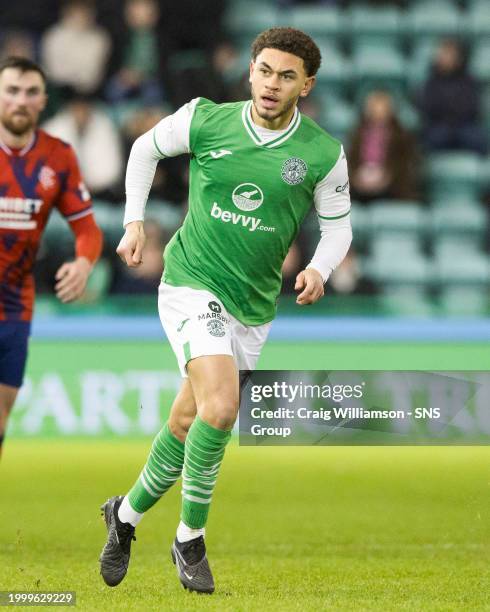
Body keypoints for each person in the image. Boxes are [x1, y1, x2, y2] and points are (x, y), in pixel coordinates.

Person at [99, 27, 352, 594]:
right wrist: (133, 221)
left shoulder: (321, 154)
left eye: (287, 75)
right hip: (192, 281)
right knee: (222, 407)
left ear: (305, 85)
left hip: (255, 303)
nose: (272, 83)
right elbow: (145, 148)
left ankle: (125, 516)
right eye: (265, 70)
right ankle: (190, 538)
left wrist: (318, 268)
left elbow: (338, 228)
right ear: (250, 71)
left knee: (189, 421)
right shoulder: (206, 119)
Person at [0, 57, 103, 456]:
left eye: (30, 92)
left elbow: (87, 228)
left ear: (43, 100)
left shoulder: (57, 156)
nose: (20, 100)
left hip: (14, 302)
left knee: (2, 415)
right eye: (11, 90)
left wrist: (83, 262)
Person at [348, 90, 419, 203]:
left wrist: (387, 178)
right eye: (374, 106)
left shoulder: (401, 135)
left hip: (392, 186)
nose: (378, 111)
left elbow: (405, 164)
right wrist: (356, 179)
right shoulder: (357, 134)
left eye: (381, 106)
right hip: (360, 186)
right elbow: (351, 162)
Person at [419, 39, 487, 156]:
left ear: (458, 58)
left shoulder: (468, 81)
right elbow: (428, 107)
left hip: (464, 126)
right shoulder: (431, 81)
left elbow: (472, 107)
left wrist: (452, 115)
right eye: (443, 54)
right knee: (428, 142)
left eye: (450, 55)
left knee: (479, 141)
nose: (446, 58)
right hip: (439, 126)